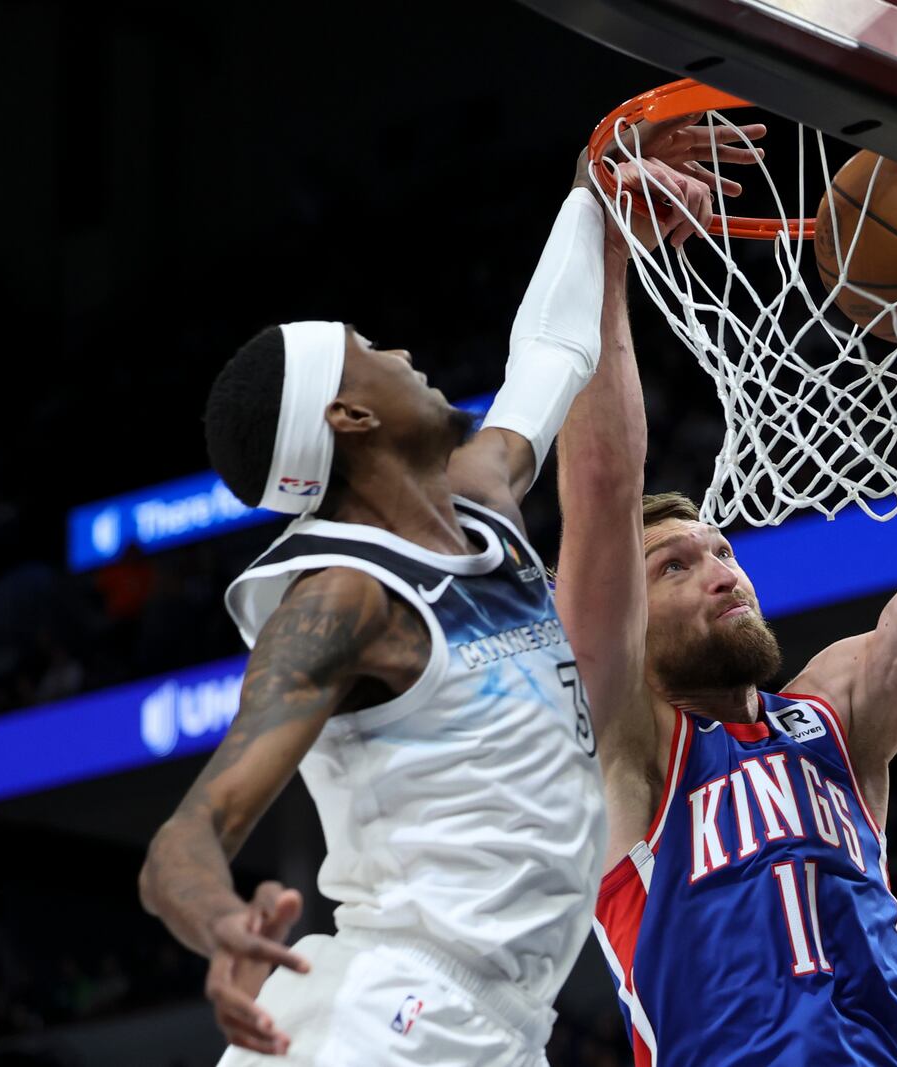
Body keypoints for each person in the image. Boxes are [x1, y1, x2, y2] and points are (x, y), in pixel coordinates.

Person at [137, 129, 730, 1066]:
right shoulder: (339, 599)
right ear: (351, 416)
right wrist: (221, 926)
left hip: (497, 1024)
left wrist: (592, 201)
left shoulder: (482, 497)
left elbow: (550, 354)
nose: (401, 348)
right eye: (367, 349)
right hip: (386, 1017)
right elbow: (187, 837)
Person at [556, 224, 897, 1061]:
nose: (723, 572)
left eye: (722, 550)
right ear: (627, 619)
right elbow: (604, 482)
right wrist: (605, 245)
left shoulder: (836, 715)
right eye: (674, 565)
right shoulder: (630, 752)